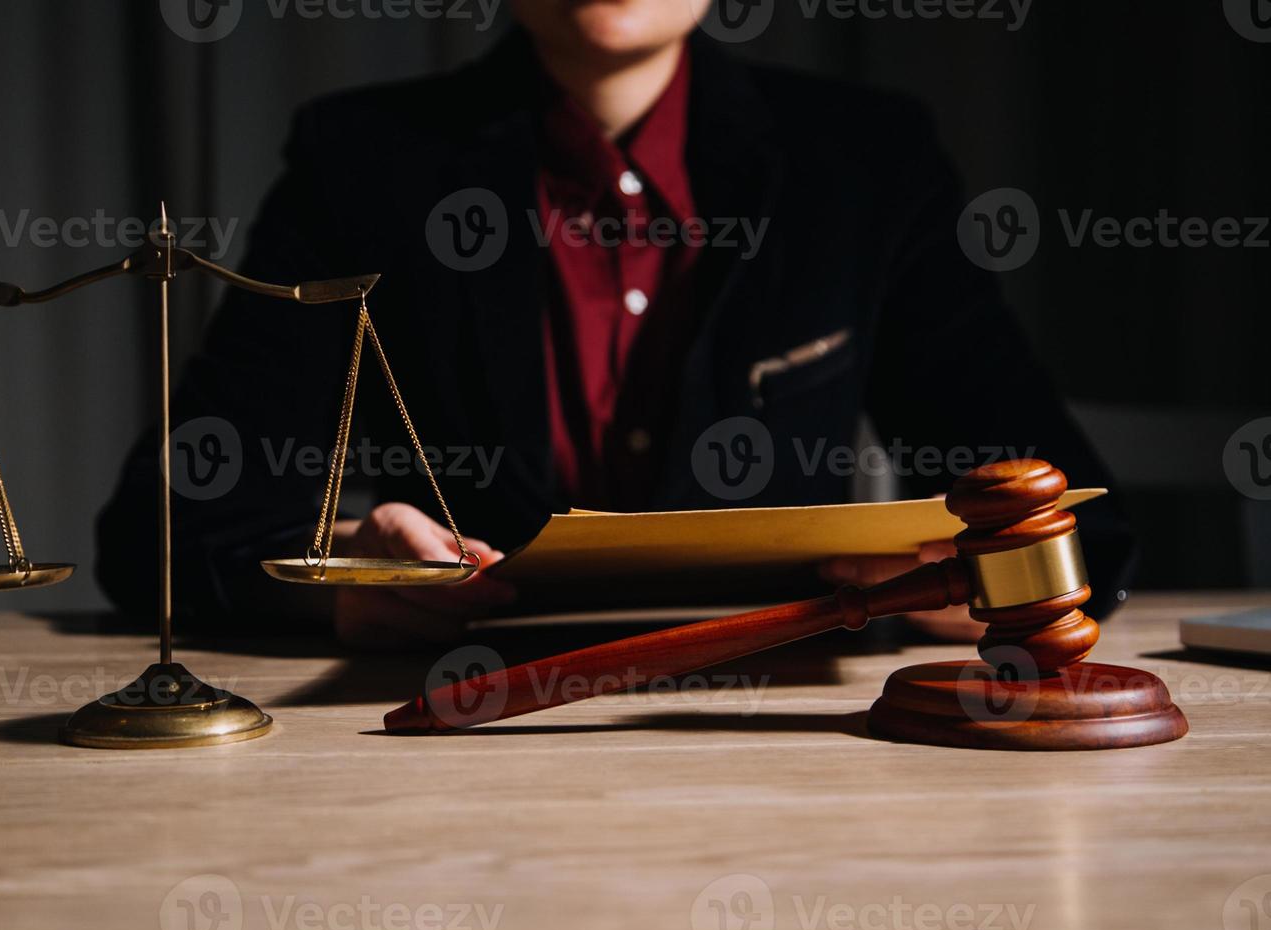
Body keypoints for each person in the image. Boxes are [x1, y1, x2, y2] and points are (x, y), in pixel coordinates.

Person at [96, 0, 1133, 651]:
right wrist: (335, 586)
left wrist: (992, 577)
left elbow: (1079, 511)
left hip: (788, 735)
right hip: (454, 734)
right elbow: (160, 529)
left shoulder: (862, 158)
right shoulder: (364, 161)